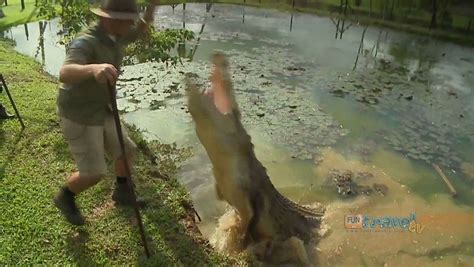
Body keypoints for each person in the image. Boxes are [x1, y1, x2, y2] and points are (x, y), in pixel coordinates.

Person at [53, 0, 158, 226]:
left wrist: (152, 8)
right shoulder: (86, 41)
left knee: (127, 150)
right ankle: (65, 196)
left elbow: (141, 28)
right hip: (79, 113)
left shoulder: (116, 36)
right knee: (93, 173)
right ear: (110, 19)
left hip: (102, 107)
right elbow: (65, 72)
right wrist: (94, 68)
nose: (132, 23)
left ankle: (122, 192)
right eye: (127, 19)